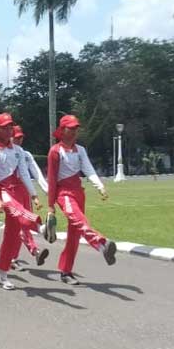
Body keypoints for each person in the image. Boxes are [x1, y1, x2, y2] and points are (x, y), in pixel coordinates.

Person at [47, 115, 117, 285]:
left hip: (79, 193)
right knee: (81, 222)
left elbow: (88, 169)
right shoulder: (55, 151)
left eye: (76, 128)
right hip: (64, 194)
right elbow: (51, 178)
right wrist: (50, 205)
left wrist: (99, 186)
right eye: (71, 128)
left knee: (74, 235)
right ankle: (102, 243)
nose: (74, 132)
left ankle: (66, 271)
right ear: (62, 130)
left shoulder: (81, 150)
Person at [0, 113, 48, 290]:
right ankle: (41, 227)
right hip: (3, 191)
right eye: (4, 127)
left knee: (11, 237)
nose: (8, 130)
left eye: (10, 126)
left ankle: (2, 276)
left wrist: (33, 194)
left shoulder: (18, 151)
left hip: (18, 190)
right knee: (17, 211)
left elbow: (25, 173)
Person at [11, 125, 52, 271]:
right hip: (11, 193)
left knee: (23, 223)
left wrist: (47, 190)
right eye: (17, 137)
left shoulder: (26, 154)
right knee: (19, 224)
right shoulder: (4, 152)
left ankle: (20, 255)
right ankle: (35, 246)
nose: (19, 140)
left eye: (21, 137)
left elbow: (36, 172)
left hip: (25, 191)